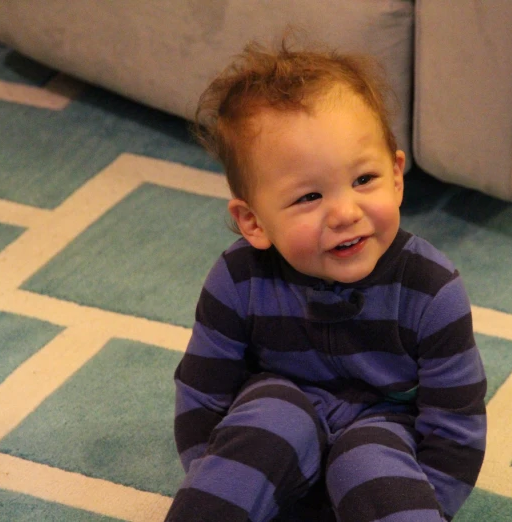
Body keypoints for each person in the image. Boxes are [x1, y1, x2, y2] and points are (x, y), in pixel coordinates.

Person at [166, 37, 487, 522]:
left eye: (364, 180)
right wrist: (221, 479)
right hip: (275, 432)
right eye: (308, 197)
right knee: (273, 416)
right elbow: (202, 399)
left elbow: (455, 430)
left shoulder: (432, 289)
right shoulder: (237, 280)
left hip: (387, 437)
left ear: (397, 176)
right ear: (252, 221)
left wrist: (429, 502)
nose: (344, 213)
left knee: (368, 456)